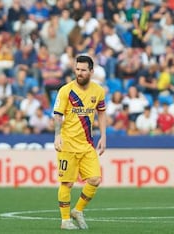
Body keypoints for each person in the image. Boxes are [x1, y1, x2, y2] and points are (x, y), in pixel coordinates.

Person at [53, 55, 106, 230]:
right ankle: (65, 220)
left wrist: (103, 136)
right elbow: (58, 115)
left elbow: (102, 113)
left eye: (83, 70)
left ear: (91, 71)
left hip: (87, 144)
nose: (79, 73)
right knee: (67, 183)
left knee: (95, 179)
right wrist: (57, 135)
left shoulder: (98, 91)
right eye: (77, 69)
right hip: (67, 144)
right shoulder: (66, 90)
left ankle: (78, 210)